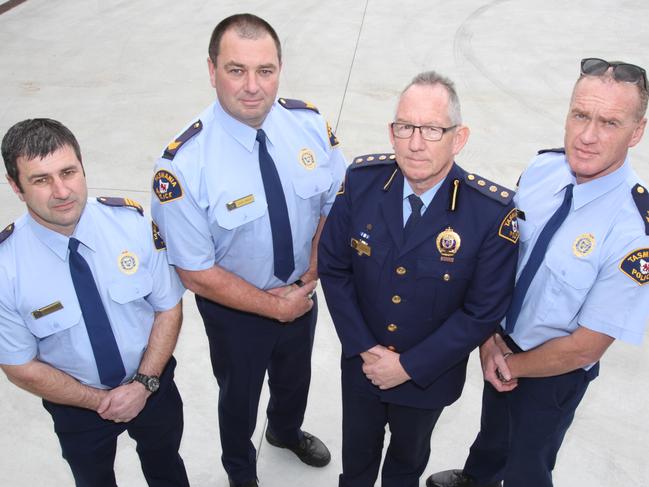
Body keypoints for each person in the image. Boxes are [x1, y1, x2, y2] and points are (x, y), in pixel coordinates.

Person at [426, 58, 649, 487]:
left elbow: (586, 347)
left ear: (636, 132)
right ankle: (479, 478)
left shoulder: (633, 232)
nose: (586, 136)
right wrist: (489, 341)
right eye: (580, 115)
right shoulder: (543, 169)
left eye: (609, 123)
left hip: (553, 373)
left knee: (530, 462)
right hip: (498, 343)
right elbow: (499, 259)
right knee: (493, 432)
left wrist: (512, 366)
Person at [151, 13, 346, 487]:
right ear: (212, 70)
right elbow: (195, 272)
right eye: (236, 70)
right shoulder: (182, 166)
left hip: (302, 291)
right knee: (238, 397)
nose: (253, 86)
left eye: (266, 70)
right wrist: (270, 307)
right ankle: (240, 470)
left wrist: (308, 279)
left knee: (294, 379)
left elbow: (333, 203)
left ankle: (283, 431)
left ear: (280, 68)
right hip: (235, 311)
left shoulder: (309, 124)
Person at [317, 70, 519, 487]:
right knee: (356, 461)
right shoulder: (362, 183)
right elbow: (335, 267)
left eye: (431, 129)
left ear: (458, 138)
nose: (415, 142)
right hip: (363, 365)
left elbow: (482, 312)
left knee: (407, 463)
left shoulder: (491, 214)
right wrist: (365, 349)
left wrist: (408, 366)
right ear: (392, 132)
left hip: (428, 377)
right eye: (405, 127)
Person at [0, 118, 189, 487]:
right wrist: (97, 402)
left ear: (82, 166)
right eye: (41, 179)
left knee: (166, 463)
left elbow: (168, 307)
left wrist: (143, 384)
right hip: (77, 408)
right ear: (16, 187)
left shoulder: (131, 224)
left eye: (68, 172)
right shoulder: (7, 269)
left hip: (152, 386)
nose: (61, 190)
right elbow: (19, 365)